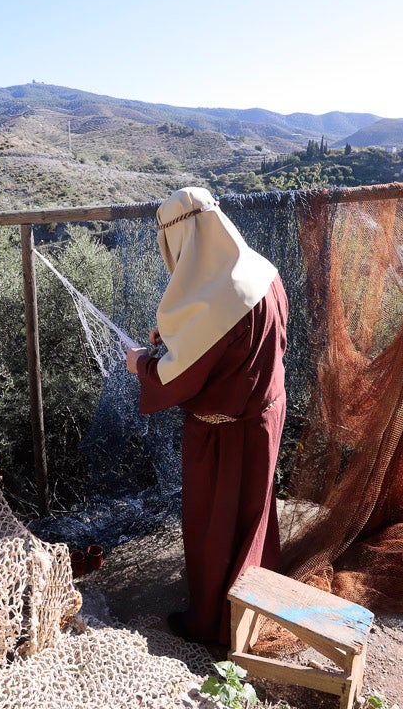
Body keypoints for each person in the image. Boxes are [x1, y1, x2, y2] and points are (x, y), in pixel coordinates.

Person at [125, 187, 288, 646]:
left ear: (182, 238)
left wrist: (142, 363)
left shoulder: (217, 306)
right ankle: (255, 595)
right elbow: (245, 347)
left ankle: (215, 621)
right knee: (252, 515)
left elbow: (178, 378)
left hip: (224, 436)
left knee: (214, 524)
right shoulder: (261, 272)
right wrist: (177, 338)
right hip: (265, 417)